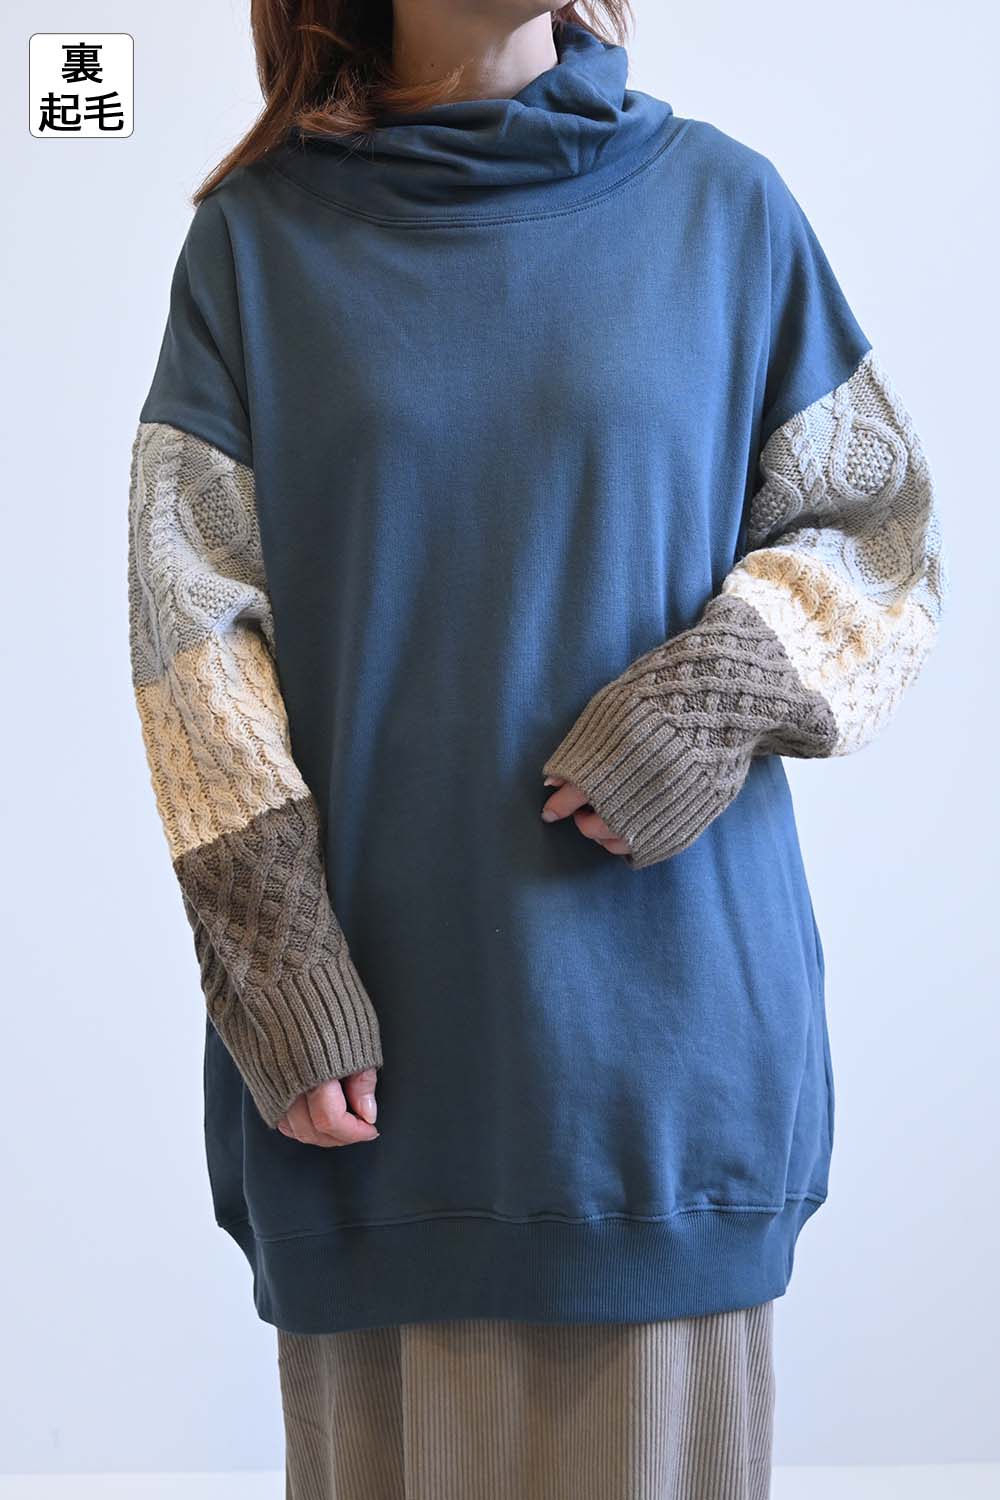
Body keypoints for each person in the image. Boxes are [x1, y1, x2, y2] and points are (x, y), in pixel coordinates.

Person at [126, 3, 947, 1497]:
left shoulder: (725, 209)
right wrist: (276, 959)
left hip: (662, 1090)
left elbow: (881, 536)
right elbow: (193, 641)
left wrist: (713, 693)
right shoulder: (255, 249)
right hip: (372, 1093)